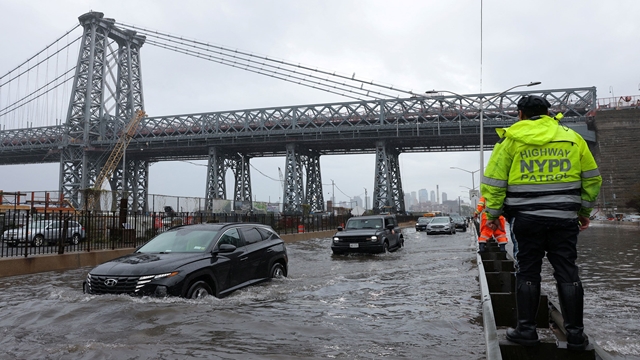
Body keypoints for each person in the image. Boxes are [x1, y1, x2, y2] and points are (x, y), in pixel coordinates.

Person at [480, 95, 602, 350]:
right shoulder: (572, 138)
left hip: (526, 220)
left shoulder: (511, 140)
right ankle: (576, 336)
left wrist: (491, 216)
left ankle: (526, 330)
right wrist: (584, 211)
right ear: (549, 113)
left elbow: (494, 183)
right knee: (568, 272)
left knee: (527, 271)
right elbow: (592, 178)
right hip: (564, 219)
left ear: (520, 114)